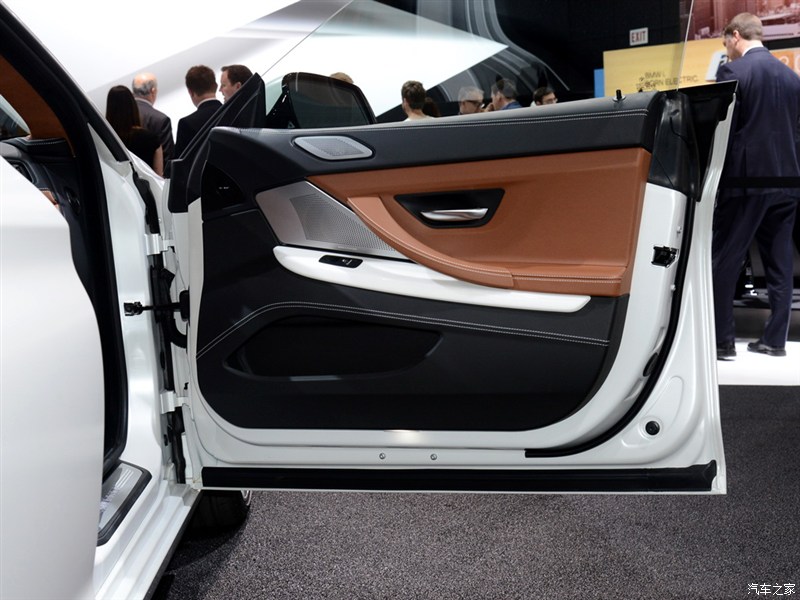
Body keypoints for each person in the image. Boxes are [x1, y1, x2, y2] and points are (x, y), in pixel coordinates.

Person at [712, 12, 800, 359]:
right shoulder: (792, 78)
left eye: (725, 42)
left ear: (735, 35)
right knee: (780, 263)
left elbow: (724, 130)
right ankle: (774, 341)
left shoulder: (733, 72)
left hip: (746, 181)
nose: (726, 49)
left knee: (725, 258)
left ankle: (722, 341)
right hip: (788, 180)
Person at [105, 85, 163, 175]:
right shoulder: (151, 139)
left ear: (109, 108)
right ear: (133, 106)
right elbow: (158, 175)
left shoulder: (105, 139)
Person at [174, 65, 222, 156]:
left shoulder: (186, 123)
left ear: (191, 92)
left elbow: (181, 161)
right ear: (216, 86)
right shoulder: (234, 112)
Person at [131, 72, 175, 166]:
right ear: (153, 91)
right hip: (153, 173)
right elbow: (167, 158)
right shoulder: (161, 119)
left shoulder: (121, 115)